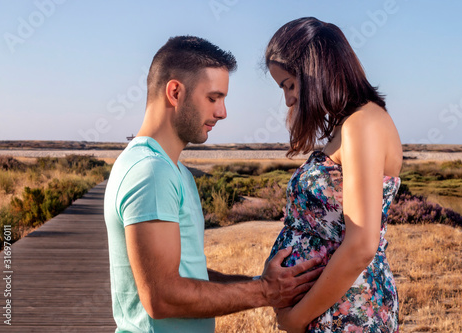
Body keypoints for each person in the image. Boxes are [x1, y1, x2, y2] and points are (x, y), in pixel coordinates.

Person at [103, 35, 323, 332]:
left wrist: (266, 286)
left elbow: (187, 275)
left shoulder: (173, 170)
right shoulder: (151, 172)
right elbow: (162, 297)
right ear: (175, 92)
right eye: (213, 98)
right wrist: (264, 292)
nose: (222, 112)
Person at [264, 17, 403, 332]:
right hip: (332, 308)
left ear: (316, 70)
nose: (287, 99)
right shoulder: (351, 124)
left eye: (289, 84)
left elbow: (361, 246)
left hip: (347, 311)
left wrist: (295, 318)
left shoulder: (362, 125)